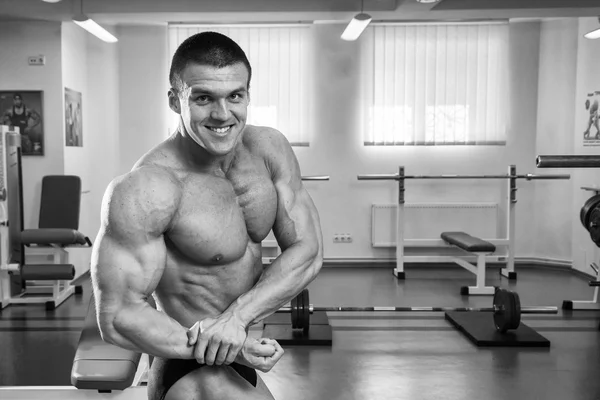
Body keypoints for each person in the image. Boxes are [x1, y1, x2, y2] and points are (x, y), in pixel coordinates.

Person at [90, 31, 324, 400]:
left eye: (235, 96)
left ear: (248, 94)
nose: (222, 114)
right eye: (203, 98)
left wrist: (237, 319)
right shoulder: (147, 188)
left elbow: (307, 250)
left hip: (239, 350)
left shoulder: (269, 149)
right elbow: (117, 316)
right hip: (189, 365)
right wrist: (222, 342)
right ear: (174, 100)